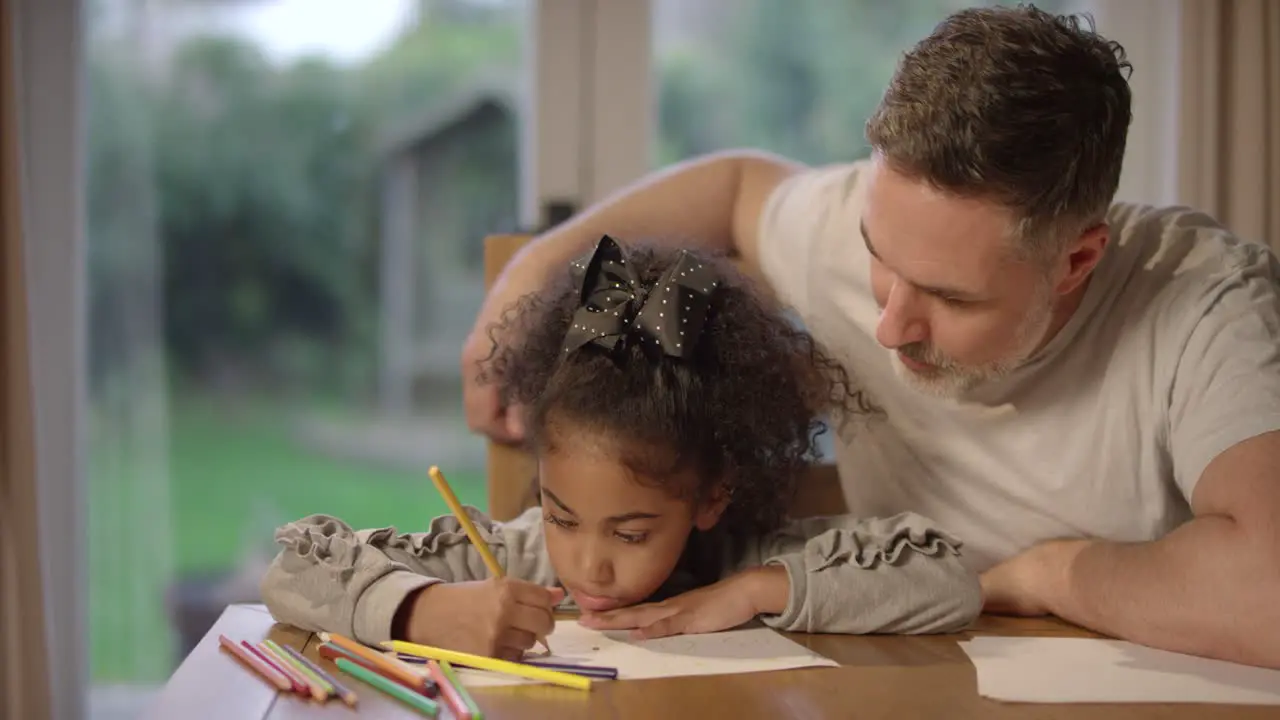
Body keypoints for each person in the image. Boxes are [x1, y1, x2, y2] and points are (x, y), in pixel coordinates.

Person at [460, 5, 1280, 668]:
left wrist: (1055, 574)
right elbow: (736, 183)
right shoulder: (850, 224)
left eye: (951, 298)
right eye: (878, 260)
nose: (889, 325)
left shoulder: (1206, 303)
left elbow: (1268, 593)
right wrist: (531, 275)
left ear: (1077, 259)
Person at [261, 236, 981, 660]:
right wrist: (419, 610)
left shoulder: (744, 559)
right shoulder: (518, 558)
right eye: (561, 513)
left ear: (711, 496)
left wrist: (751, 593)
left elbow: (948, 576)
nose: (588, 562)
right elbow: (293, 571)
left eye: (632, 531)